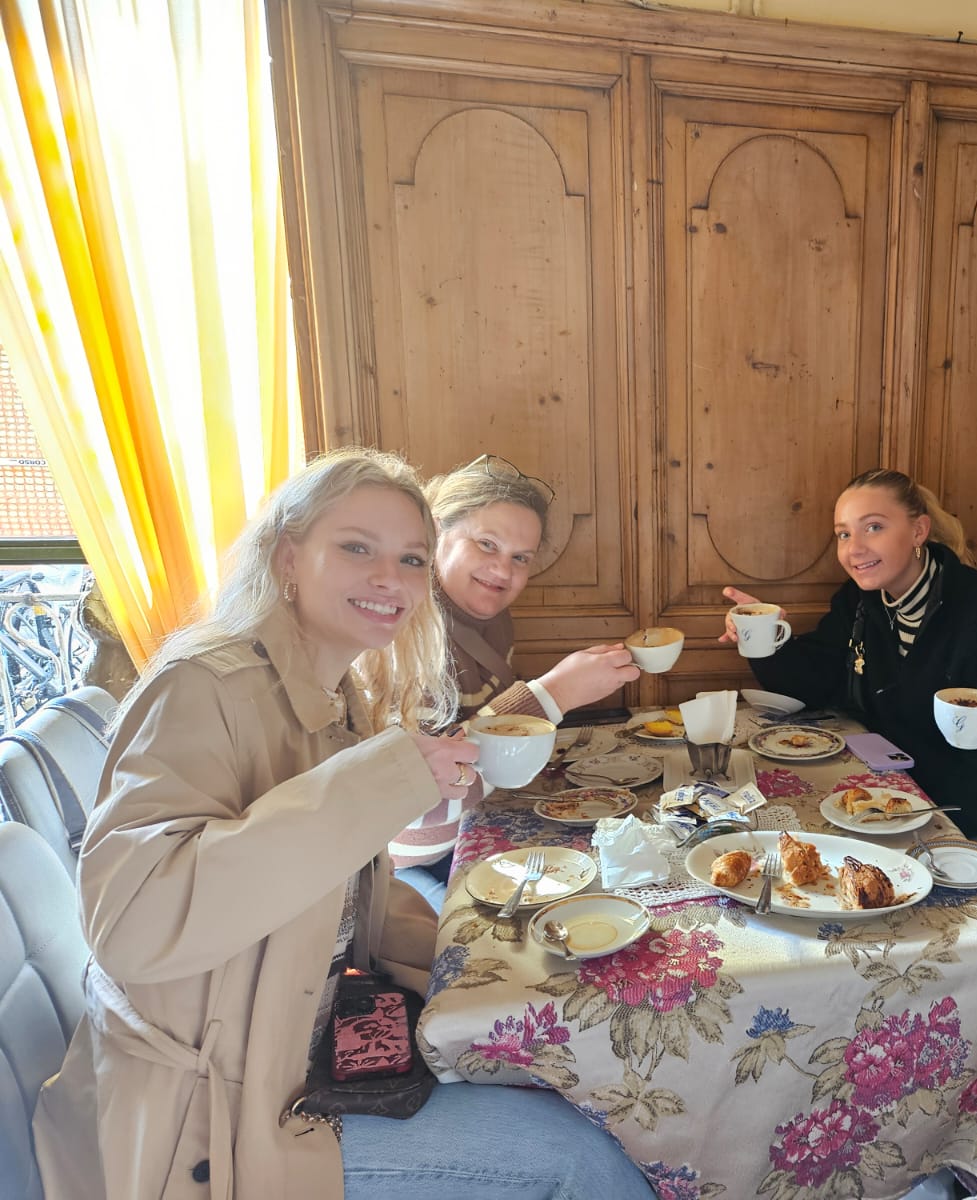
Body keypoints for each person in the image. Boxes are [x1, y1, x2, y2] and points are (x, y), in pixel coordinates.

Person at [31, 448, 655, 1200]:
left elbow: (354, 891)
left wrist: (492, 953)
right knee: (586, 1162)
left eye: (411, 559)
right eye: (357, 548)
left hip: (307, 1048)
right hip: (214, 1119)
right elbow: (133, 924)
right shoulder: (202, 687)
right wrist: (373, 785)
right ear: (288, 556)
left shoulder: (336, 693)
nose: (390, 578)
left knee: (571, 1077)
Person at [722, 468, 977, 846]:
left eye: (873, 527)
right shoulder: (860, 600)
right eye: (844, 534)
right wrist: (765, 637)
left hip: (959, 808)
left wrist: (904, 806)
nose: (853, 549)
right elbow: (815, 680)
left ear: (918, 531)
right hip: (883, 790)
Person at [390, 454, 639, 907]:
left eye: (519, 557)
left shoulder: (492, 620)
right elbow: (414, 816)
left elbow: (480, 738)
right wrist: (554, 694)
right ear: (436, 533)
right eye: (487, 544)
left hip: (477, 826)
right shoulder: (403, 632)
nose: (503, 571)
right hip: (414, 867)